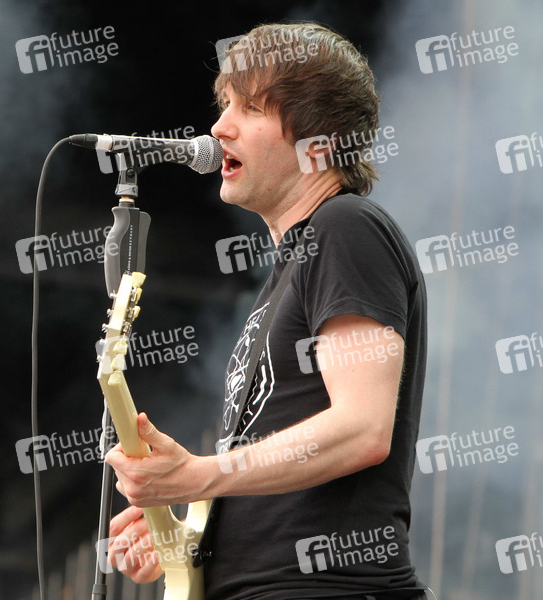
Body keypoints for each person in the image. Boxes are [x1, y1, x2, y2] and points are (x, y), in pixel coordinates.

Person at [104, 22, 428, 600]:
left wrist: (201, 473)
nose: (219, 127)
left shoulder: (345, 226)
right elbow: (281, 496)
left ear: (319, 142)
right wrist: (183, 539)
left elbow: (363, 429)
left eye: (250, 108)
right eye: (225, 105)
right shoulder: (290, 271)